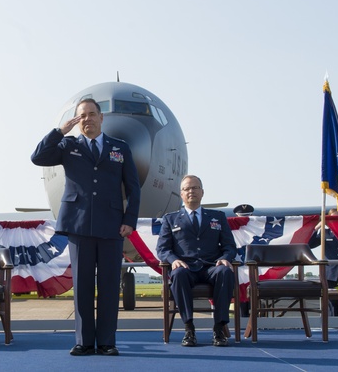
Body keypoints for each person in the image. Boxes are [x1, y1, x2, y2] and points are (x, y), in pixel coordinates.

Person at [31, 98, 141, 356]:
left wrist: (129, 220)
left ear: (102, 118)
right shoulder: (67, 145)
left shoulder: (119, 148)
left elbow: (133, 187)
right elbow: (38, 157)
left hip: (112, 225)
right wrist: (59, 131)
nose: (87, 119)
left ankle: (106, 342)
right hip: (79, 224)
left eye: (92, 114)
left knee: (109, 285)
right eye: (82, 116)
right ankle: (83, 341)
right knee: (82, 286)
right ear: (76, 120)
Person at [156, 175, 236, 347]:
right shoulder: (170, 219)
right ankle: (189, 328)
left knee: (226, 272)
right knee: (178, 274)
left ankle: (219, 328)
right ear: (181, 194)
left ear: (202, 192)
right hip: (186, 267)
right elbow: (162, 249)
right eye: (187, 189)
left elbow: (230, 246)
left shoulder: (218, 217)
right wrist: (174, 260)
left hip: (211, 267)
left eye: (195, 188)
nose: (191, 191)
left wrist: (225, 258)